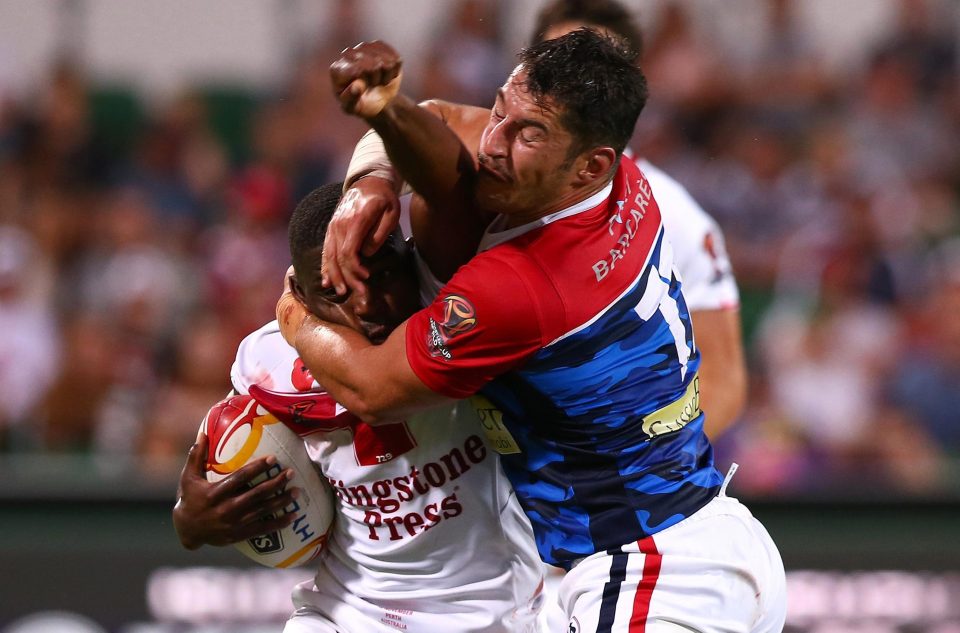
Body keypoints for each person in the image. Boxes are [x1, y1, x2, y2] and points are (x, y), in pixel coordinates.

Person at [281, 31, 785, 632]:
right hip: (683, 545)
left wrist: (295, 310)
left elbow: (371, 390)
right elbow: (440, 118)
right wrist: (374, 178)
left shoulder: (523, 287)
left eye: (528, 134)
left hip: (655, 570)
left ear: (588, 163)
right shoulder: (609, 177)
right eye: (499, 111)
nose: (494, 143)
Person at [325, 0, 746, 440]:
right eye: (557, 54)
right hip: (443, 394)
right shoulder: (515, 151)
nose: (569, 72)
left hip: (517, 440)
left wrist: (638, 469)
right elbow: (437, 119)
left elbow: (723, 381)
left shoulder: (672, 218)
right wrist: (372, 176)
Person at [173, 182, 544, 633]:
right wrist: (193, 519)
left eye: (382, 274)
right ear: (301, 298)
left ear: (411, 260)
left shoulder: (456, 314)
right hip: (343, 611)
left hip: (491, 613)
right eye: (334, 291)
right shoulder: (263, 363)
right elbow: (229, 460)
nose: (366, 305)